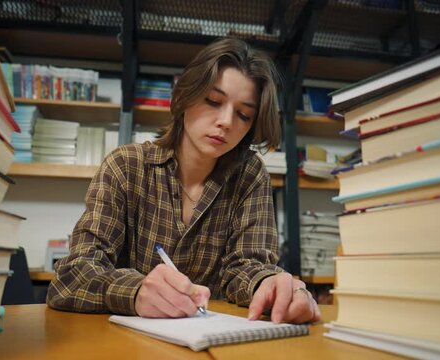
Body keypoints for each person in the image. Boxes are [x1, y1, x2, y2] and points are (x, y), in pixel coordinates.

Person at [47, 38, 321, 324]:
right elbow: (72, 277)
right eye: (213, 101)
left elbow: (246, 268)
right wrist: (135, 291)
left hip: (209, 342)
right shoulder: (125, 167)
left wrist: (269, 284)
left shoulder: (249, 176)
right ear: (182, 98)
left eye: (244, 115)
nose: (227, 121)